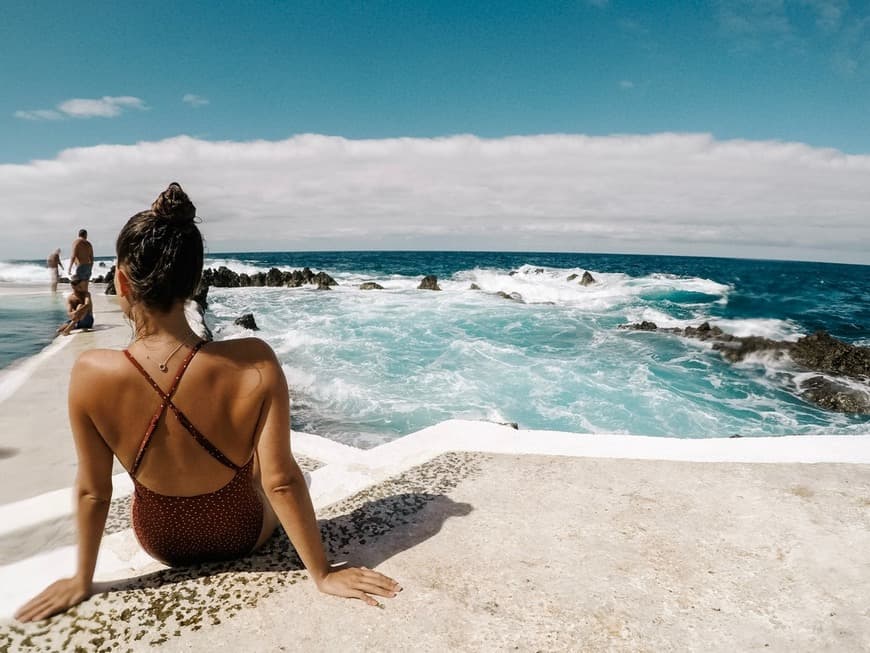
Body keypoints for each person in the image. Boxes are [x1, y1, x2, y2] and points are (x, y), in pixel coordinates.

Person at [16, 183, 400, 622]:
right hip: (241, 532)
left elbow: (93, 491)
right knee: (272, 465)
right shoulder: (254, 360)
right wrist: (323, 572)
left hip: (162, 542)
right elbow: (281, 482)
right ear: (197, 282)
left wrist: (82, 580)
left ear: (121, 281)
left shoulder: (91, 372)